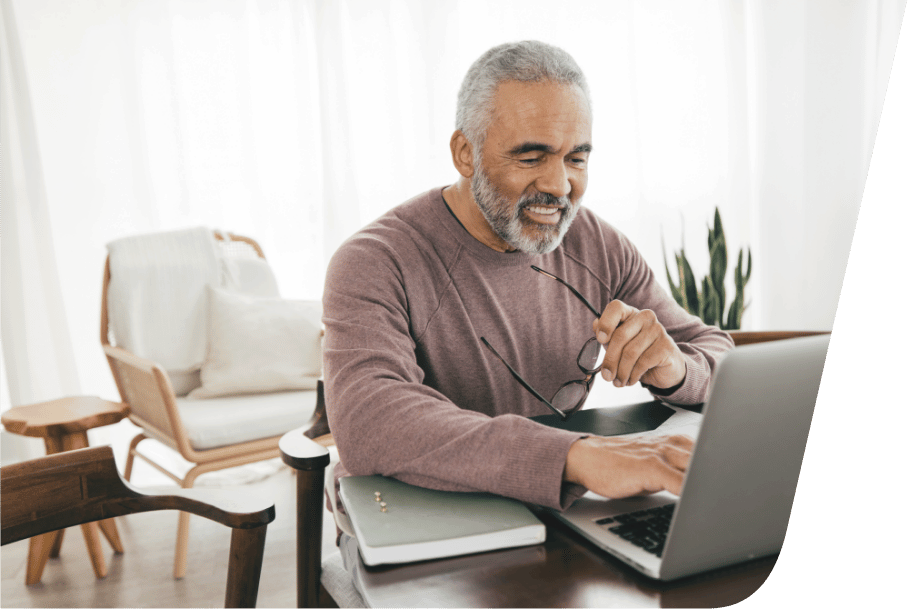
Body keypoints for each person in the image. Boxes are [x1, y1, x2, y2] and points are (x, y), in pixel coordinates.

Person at [323, 40, 733, 516]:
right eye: (531, 157)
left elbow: (717, 353)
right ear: (465, 153)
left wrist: (677, 367)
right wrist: (575, 457)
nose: (560, 187)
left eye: (576, 159)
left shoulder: (597, 243)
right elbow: (370, 422)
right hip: (415, 515)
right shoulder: (374, 260)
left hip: (555, 509)